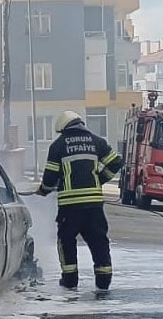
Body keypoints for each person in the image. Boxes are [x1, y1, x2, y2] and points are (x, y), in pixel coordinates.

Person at [37, 111, 122, 291]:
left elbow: (50, 176)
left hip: (70, 206)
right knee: (99, 241)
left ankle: (69, 280)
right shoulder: (96, 141)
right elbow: (116, 162)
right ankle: (103, 281)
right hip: (94, 205)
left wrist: (43, 190)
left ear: (64, 128)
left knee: (66, 241)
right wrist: (100, 179)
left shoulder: (58, 145)